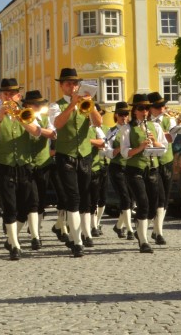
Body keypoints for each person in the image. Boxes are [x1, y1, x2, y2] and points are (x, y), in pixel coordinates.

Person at [0, 79, 43, 260]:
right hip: (4, 166)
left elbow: (36, 132)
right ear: (1, 96)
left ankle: (11, 238)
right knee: (9, 206)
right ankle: (15, 246)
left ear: (19, 96)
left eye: (12, 94)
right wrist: (0, 118)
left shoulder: (27, 114)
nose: (9, 97)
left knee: (26, 206)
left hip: (24, 165)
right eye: (5, 94)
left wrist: (20, 118)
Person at [48, 68, 104, 257]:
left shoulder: (85, 104)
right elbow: (57, 124)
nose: (72, 87)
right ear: (61, 86)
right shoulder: (56, 106)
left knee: (85, 196)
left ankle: (80, 234)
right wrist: (72, 105)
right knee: (73, 197)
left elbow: (98, 123)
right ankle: (77, 240)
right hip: (66, 155)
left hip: (85, 156)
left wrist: (91, 104)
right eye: (68, 84)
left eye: (74, 84)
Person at [120, 94, 168, 253]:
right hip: (135, 170)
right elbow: (125, 152)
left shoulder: (156, 126)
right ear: (134, 110)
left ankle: (141, 230)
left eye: (147, 108)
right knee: (143, 202)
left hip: (152, 169)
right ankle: (143, 240)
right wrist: (140, 148)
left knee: (153, 206)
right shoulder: (127, 128)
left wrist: (154, 142)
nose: (145, 111)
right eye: (141, 108)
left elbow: (163, 149)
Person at [22, 90, 57, 247]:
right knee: (32, 200)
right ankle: (35, 236)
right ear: (27, 105)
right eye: (35, 104)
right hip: (27, 163)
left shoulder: (44, 118)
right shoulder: (20, 118)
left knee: (41, 200)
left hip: (44, 163)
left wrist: (38, 130)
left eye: (40, 104)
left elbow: (53, 134)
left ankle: (35, 229)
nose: (38, 106)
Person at [147, 92, 176, 245]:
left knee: (164, 197)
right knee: (155, 196)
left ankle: (158, 230)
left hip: (166, 160)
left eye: (162, 106)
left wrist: (160, 135)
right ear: (150, 108)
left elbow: (172, 137)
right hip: (150, 162)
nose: (162, 109)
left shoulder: (168, 119)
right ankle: (153, 229)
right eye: (158, 107)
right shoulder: (144, 121)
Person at [104, 102, 134, 240]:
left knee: (131, 199)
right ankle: (130, 229)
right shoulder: (112, 132)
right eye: (121, 114)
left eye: (126, 114)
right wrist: (117, 150)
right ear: (116, 115)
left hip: (131, 167)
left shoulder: (132, 130)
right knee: (125, 198)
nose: (124, 117)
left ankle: (118, 225)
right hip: (117, 167)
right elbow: (106, 151)